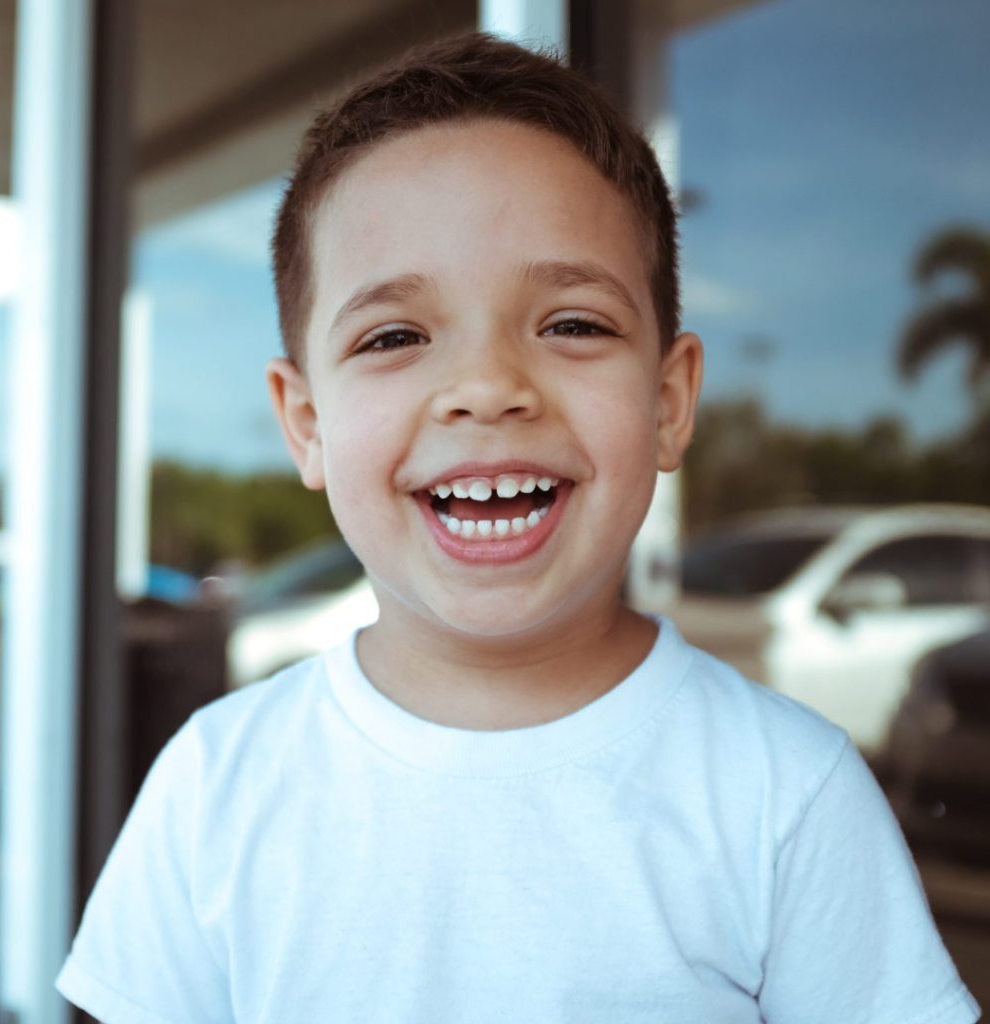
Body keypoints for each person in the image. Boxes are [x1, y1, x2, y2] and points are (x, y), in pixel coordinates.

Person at [57, 32, 980, 1024]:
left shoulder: (783, 789)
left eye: (573, 323)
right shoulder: (216, 783)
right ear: (307, 423)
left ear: (668, 402)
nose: (488, 388)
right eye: (395, 335)